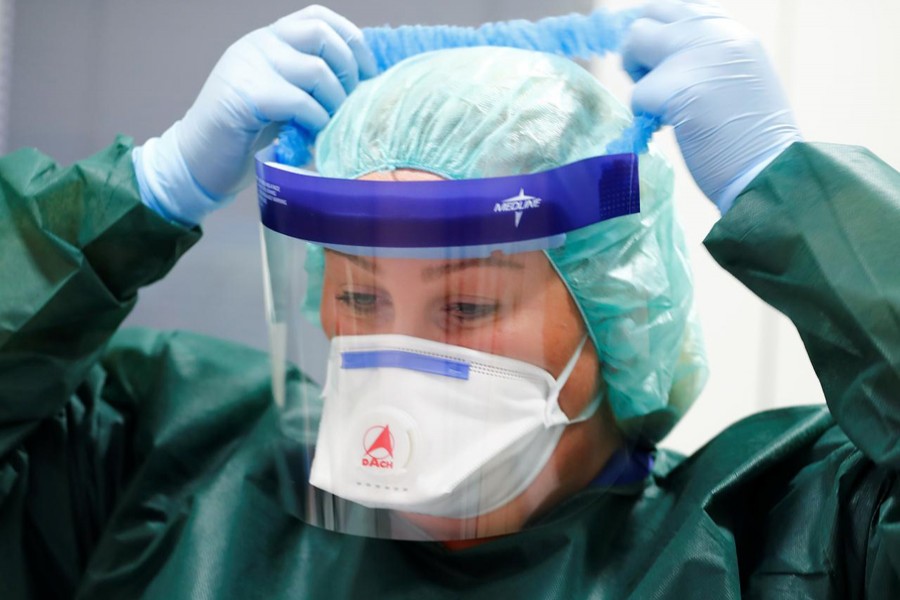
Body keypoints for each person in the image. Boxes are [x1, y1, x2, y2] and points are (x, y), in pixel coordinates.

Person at [0, 1, 897, 598]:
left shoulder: (780, 534)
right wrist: (139, 196)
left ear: (616, 306)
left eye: (466, 308)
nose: (396, 351)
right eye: (358, 293)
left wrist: (799, 200)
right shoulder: (165, 459)